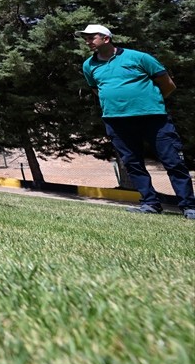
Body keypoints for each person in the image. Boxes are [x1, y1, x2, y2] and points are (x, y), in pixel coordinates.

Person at [78, 24, 195, 219]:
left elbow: (168, 85)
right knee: (132, 163)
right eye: (86, 38)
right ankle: (150, 203)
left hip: (153, 119)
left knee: (173, 162)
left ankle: (189, 206)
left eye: (91, 37)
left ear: (106, 38)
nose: (87, 41)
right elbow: (96, 90)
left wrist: (148, 103)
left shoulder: (140, 58)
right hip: (116, 121)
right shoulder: (88, 65)